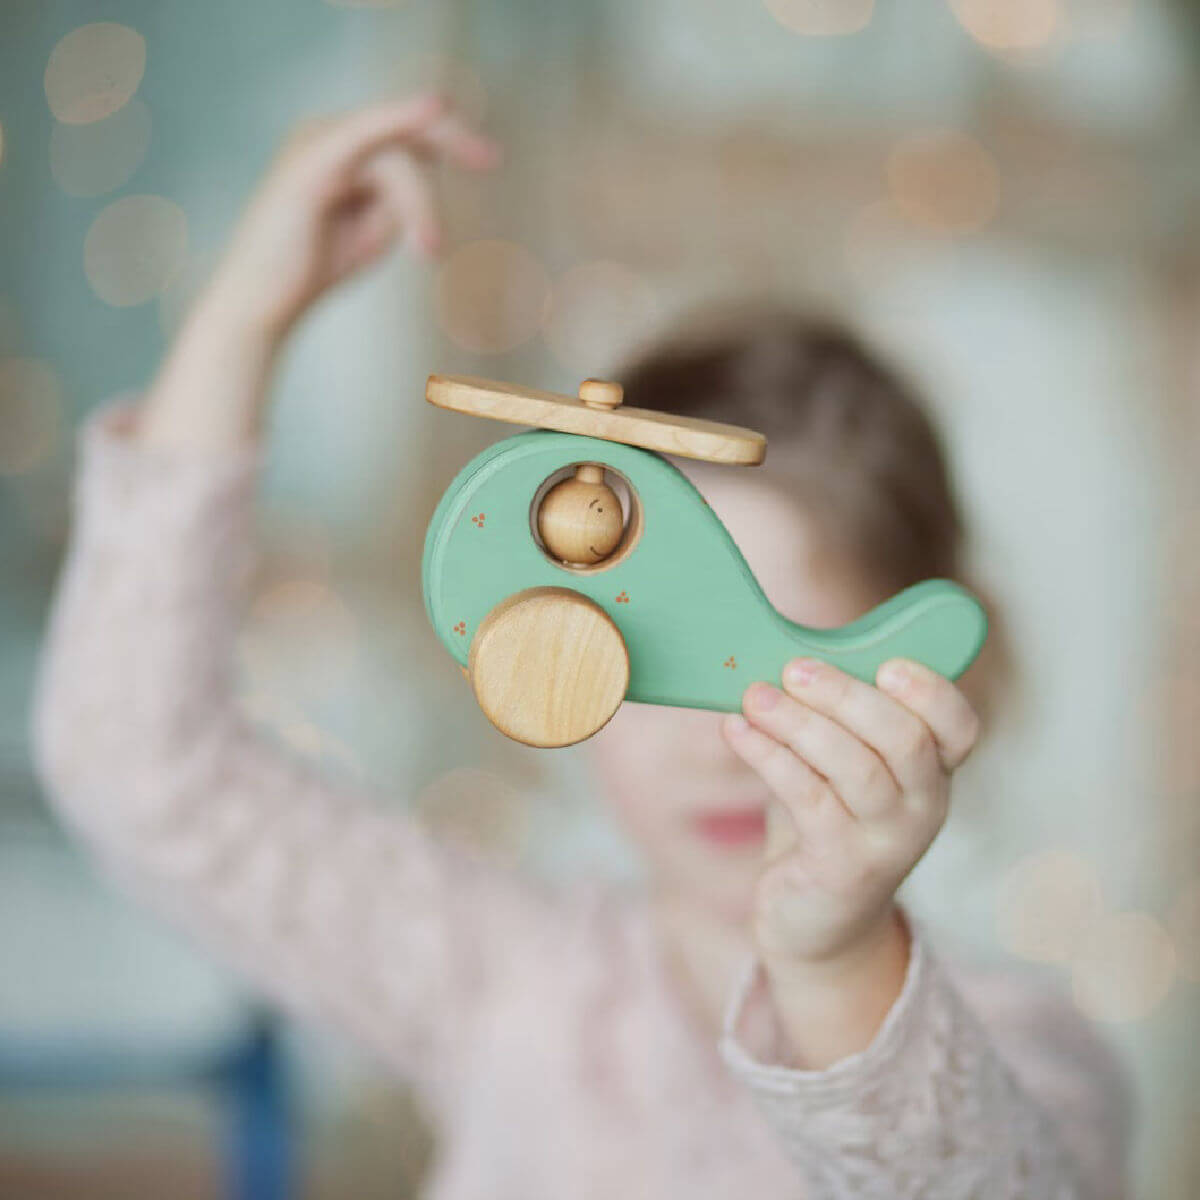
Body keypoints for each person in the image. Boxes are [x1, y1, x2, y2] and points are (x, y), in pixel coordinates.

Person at [28, 92, 1132, 1198]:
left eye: (785, 664)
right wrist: (241, 320)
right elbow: (137, 761)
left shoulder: (1031, 1058)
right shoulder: (509, 979)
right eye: (651, 656)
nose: (716, 740)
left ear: (928, 673)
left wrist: (839, 957)